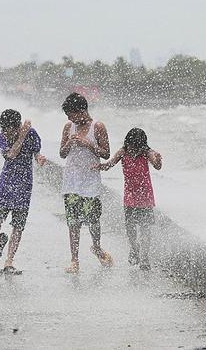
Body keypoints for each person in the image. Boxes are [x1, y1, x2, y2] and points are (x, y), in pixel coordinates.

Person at [0, 109, 46, 274]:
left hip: (24, 185)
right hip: (6, 183)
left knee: (18, 225)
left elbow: (36, 152)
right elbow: (12, 154)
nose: (6, 133)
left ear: (18, 126)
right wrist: (22, 135)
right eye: (4, 129)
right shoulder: (2, 138)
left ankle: (9, 261)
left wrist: (39, 157)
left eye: (10, 129)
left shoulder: (31, 134)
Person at [60, 92, 113, 273]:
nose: (69, 118)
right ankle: (74, 260)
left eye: (71, 114)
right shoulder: (69, 127)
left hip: (90, 182)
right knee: (73, 222)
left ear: (81, 110)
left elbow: (106, 153)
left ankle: (97, 248)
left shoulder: (97, 127)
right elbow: (62, 153)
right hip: (71, 181)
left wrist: (87, 144)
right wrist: (69, 143)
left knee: (93, 220)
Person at [96, 128, 162, 271]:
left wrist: (158, 160)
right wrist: (100, 166)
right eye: (131, 146)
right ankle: (134, 248)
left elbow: (157, 166)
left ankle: (144, 257)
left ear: (142, 145)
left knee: (145, 228)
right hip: (130, 196)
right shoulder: (122, 152)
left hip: (145, 197)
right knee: (130, 227)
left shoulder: (147, 153)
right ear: (127, 143)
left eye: (136, 147)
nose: (133, 150)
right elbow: (109, 164)